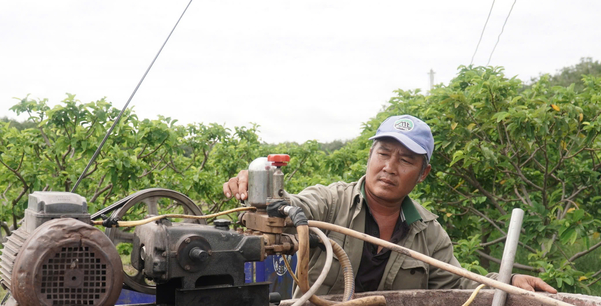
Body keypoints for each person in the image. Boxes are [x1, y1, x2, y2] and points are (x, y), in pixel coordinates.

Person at [223, 114, 556, 295]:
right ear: (370, 156)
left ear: (423, 173)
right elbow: (289, 209)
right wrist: (260, 190)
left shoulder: (429, 233)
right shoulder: (331, 202)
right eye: (383, 153)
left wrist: (505, 281)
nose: (389, 167)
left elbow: (458, 286)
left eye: (406, 160)